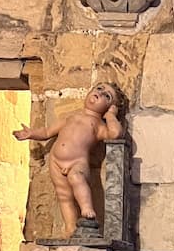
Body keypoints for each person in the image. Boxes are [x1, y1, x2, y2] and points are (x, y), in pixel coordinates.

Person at [13, 81, 123, 237]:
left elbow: (115, 134)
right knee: (63, 195)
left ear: (109, 107)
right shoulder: (71, 116)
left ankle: (87, 208)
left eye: (107, 96)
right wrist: (31, 134)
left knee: (77, 178)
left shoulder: (98, 125)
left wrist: (111, 116)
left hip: (77, 163)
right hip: (55, 161)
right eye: (99, 89)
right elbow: (47, 132)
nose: (100, 93)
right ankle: (70, 227)